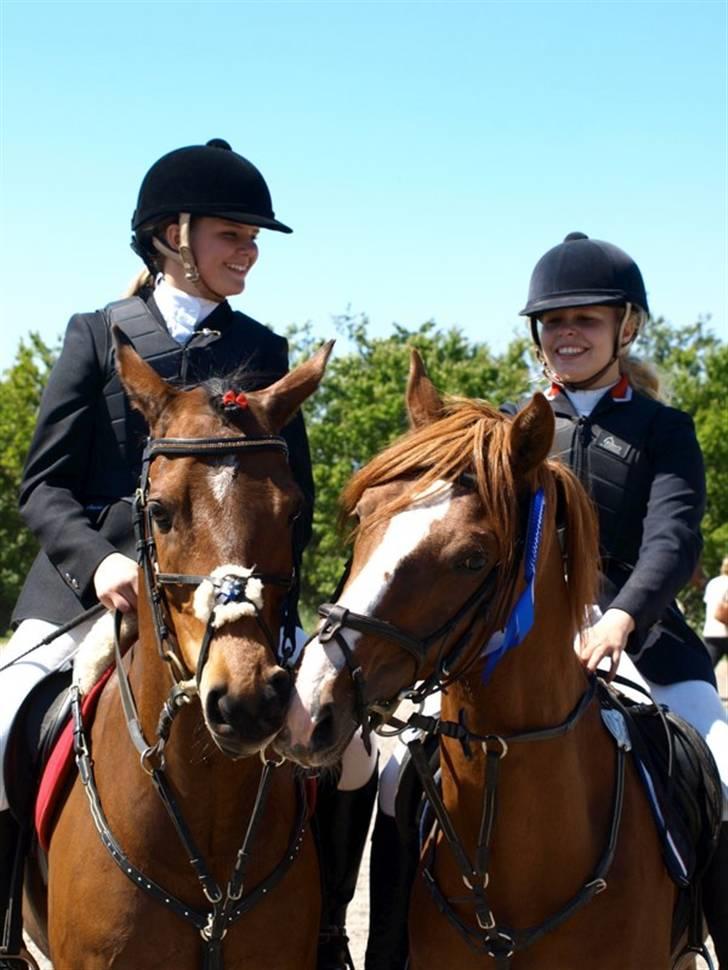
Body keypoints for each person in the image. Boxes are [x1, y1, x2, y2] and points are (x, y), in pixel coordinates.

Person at [0, 139, 376, 970]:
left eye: (253, 241)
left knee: (351, 755)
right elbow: (43, 487)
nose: (248, 253)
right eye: (232, 235)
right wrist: (100, 564)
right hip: (91, 590)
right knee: (1, 728)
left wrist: (260, 600)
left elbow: (295, 505)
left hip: (230, 599)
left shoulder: (267, 354)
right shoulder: (98, 335)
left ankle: (326, 938)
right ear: (174, 233)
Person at [365, 232, 728, 969]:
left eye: (585, 321)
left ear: (625, 328)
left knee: (721, 764)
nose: (567, 335)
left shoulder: (663, 430)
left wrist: (623, 615)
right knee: (401, 776)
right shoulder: (507, 431)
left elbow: (673, 541)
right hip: (510, 643)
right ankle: (386, 951)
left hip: (643, 638)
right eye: (554, 322)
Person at [704, 556, 728, 667]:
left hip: (711, 632)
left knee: (706, 668)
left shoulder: (713, 583)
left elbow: (708, 603)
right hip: (725, 631)